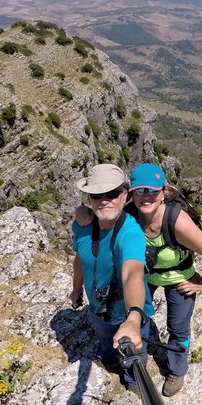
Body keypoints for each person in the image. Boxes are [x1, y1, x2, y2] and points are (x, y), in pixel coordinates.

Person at [75, 162, 202, 397]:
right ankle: (143, 346)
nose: (146, 196)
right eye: (140, 191)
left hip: (178, 277)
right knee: (138, 316)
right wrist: (82, 211)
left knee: (178, 327)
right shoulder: (130, 213)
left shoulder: (177, 221)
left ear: (163, 193)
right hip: (148, 276)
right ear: (131, 193)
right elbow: (104, 207)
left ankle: (176, 369)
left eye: (152, 191)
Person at [69, 163, 155, 392]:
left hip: (126, 314)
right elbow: (80, 259)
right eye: (97, 194)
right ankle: (107, 357)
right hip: (97, 310)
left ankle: (133, 382)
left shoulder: (131, 233)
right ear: (89, 197)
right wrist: (76, 289)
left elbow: (132, 273)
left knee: (134, 354)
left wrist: (134, 318)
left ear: (124, 195)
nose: (104, 199)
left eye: (112, 193)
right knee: (106, 341)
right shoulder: (81, 226)